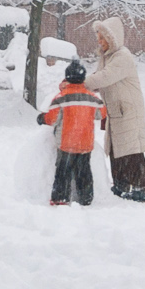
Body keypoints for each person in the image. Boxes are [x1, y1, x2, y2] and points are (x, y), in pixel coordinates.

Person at [90, 17, 145, 202]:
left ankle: (139, 188)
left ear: (112, 37)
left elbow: (105, 77)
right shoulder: (107, 57)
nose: (99, 42)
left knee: (131, 149)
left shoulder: (122, 56)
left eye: (103, 38)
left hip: (128, 109)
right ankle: (121, 185)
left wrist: (80, 83)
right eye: (98, 38)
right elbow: (97, 76)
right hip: (115, 110)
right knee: (116, 149)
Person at [37, 60, 104, 206]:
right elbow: (101, 114)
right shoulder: (92, 97)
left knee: (63, 172)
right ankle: (86, 198)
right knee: (84, 172)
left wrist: (42, 118)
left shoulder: (61, 97)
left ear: (67, 78)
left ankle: (60, 198)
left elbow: (52, 118)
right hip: (85, 143)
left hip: (66, 143)